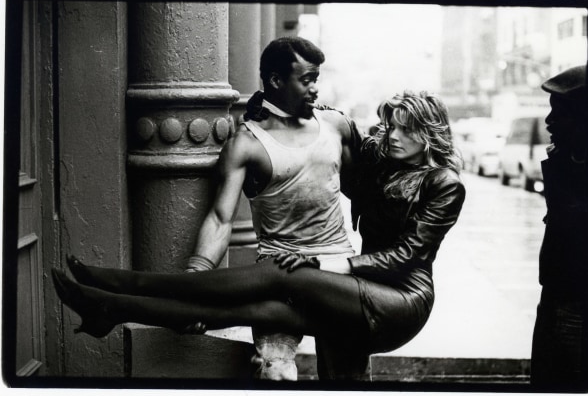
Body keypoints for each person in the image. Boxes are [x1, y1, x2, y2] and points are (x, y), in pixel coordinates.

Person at [51, 90, 466, 382]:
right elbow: (324, 119)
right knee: (257, 310)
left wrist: (325, 263)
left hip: (399, 302)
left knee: (283, 273)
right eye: (391, 126)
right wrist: (283, 107)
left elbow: (407, 256)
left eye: (407, 130)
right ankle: (114, 309)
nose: (394, 136)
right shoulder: (383, 160)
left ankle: (126, 281)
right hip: (357, 290)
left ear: (430, 132)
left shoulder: (444, 182)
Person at [184, 36, 362, 380]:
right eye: (306, 80)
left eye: (316, 80)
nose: (314, 89)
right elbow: (220, 220)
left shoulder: (335, 127)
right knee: (276, 373)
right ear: (277, 81)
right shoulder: (247, 144)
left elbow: (366, 190)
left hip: (334, 268)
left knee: (349, 379)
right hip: (280, 275)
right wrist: (195, 283)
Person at [530, 65, 588, 391]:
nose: (549, 122)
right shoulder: (570, 160)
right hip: (556, 294)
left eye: (562, 113)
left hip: (578, 305)